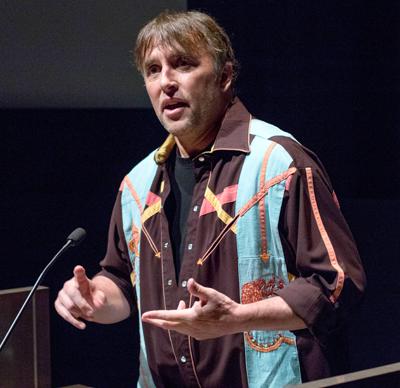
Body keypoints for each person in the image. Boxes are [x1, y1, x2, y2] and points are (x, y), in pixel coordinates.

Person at [55, 10, 366, 387]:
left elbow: (336, 284)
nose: (166, 82)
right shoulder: (137, 185)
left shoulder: (279, 162)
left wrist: (240, 317)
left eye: (183, 64)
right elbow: (120, 282)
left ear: (225, 76)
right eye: (153, 70)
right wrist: (95, 299)